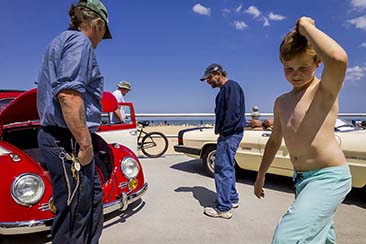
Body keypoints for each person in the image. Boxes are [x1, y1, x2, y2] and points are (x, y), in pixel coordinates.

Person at [254, 17, 352, 243]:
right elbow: (275, 140)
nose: (295, 74)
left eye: (303, 67)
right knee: (322, 235)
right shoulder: (281, 102)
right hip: (301, 179)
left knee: (286, 238)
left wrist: (306, 28)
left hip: (329, 177)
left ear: (317, 63)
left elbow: (338, 59)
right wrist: (261, 174)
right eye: (288, 68)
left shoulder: (323, 91)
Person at [37, 0, 111, 243]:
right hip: (67, 140)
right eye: (103, 33)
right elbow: (68, 94)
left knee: (89, 202)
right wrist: (85, 144)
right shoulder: (80, 43)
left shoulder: (57, 43)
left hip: (60, 136)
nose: (101, 40)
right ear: (98, 24)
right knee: (75, 216)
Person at [200, 64, 246, 219]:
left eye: (209, 78)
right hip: (230, 134)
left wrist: (224, 133)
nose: (208, 82)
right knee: (229, 167)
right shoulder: (224, 91)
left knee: (222, 170)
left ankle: (223, 208)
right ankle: (231, 198)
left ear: (218, 74)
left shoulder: (230, 87)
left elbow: (232, 114)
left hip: (229, 135)